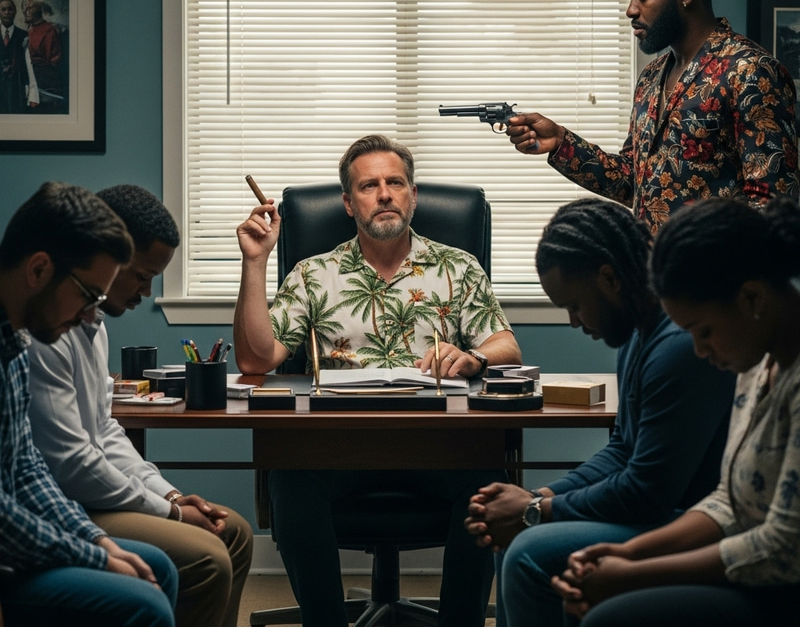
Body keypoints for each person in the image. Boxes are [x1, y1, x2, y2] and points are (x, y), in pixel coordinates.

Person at [234, 133, 522, 627]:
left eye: (396, 183)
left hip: (437, 446)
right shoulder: (313, 274)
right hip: (337, 447)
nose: (384, 194)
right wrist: (256, 263)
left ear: (413, 195)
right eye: (369, 186)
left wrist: (472, 356)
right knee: (290, 480)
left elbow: (506, 346)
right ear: (348, 203)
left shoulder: (458, 267)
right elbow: (257, 359)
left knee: (487, 479)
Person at [464, 198, 736, 627]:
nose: (573, 322)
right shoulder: (637, 331)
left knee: (527, 553)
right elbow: (622, 449)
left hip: (694, 522)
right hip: (660, 510)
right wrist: (542, 497)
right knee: (517, 539)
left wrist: (534, 509)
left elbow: (646, 492)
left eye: (575, 304)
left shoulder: (681, 344)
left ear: (608, 278)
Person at [552, 195, 800, 627]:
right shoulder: (757, 363)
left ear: (753, 299)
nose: (700, 351)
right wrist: (628, 553)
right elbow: (731, 502)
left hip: (783, 583)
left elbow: (784, 547)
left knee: (609, 616)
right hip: (754, 569)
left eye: (703, 332)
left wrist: (633, 574)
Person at [27, 184, 253, 627]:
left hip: (91, 493)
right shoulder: (48, 329)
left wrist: (167, 493)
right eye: (140, 275)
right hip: (69, 501)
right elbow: (71, 462)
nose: (146, 293)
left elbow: (104, 431)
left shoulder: (93, 324)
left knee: (236, 532)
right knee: (208, 556)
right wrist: (169, 511)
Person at [506, 0, 798, 234]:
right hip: (647, 277)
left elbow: (773, 205)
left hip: (714, 280)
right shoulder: (651, 76)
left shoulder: (751, 72)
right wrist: (560, 141)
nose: (631, 10)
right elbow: (633, 181)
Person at [0, 181, 177, 627]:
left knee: (158, 569)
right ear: (39, 270)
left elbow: (26, 470)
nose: (89, 316)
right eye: (87, 295)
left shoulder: (15, 345)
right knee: (146, 604)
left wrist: (96, 540)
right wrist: (88, 552)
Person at [0, 0, 38, 112]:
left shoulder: (24, 35)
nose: (7, 12)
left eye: (10, 9)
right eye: (3, 9)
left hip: (16, 90)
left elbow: (29, 66)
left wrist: (32, 94)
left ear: (15, 12)